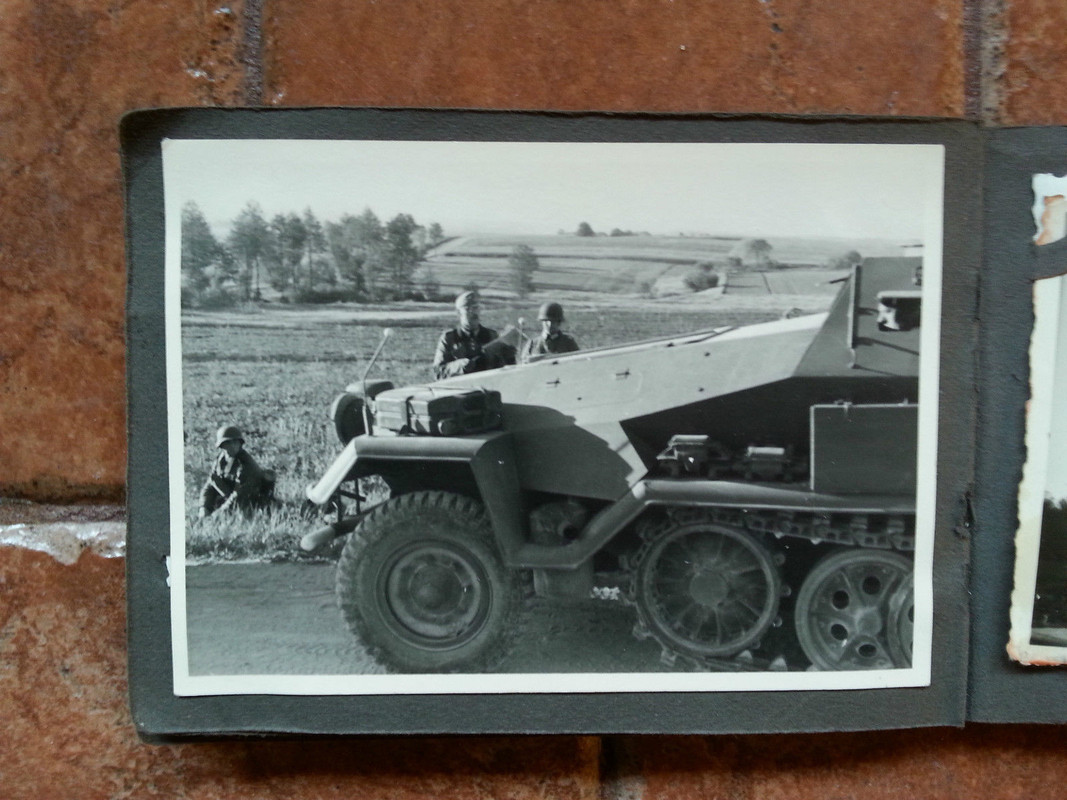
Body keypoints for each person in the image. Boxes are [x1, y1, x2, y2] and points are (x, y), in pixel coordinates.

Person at [198, 425, 276, 518]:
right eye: (228, 443)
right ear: (221, 446)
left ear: (240, 444)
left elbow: (239, 496)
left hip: (250, 501)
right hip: (230, 497)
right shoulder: (220, 460)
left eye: (235, 442)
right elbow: (210, 484)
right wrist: (204, 507)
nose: (232, 446)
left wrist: (218, 513)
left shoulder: (247, 465)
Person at [432, 290, 499, 379]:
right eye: (468, 309)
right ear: (458, 313)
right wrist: (459, 366)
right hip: (461, 390)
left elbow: (504, 369)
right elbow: (438, 372)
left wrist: (509, 356)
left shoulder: (492, 336)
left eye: (476, 308)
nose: (473, 313)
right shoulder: (449, 338)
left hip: (489, 389)